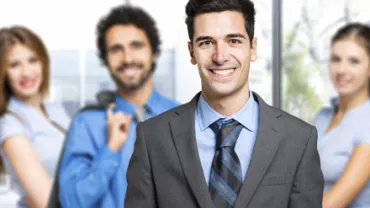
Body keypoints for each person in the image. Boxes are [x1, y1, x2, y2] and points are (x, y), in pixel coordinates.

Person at [125, 0, 324, 207]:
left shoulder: (298, 139)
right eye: (206, 43)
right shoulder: (153, 137)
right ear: (192, 52)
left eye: (234, 41)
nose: (220, 57)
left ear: (252, 48)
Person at [57, 4, 179, 208]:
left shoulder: (184, 118)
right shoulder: (86, 125)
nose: (127, 59)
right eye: (116, 50)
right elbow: (71, 202)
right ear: (106, 60)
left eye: (136, 46)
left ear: (155, 52)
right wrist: (110, 149)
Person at [0, 26, 70, 208]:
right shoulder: (10, 122)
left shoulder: (55, 110)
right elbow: (45, 201)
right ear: (3, 73)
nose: (26, 72)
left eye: (32, 60)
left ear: (43, 63)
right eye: (14, 65)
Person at [313, 23, 370, 208]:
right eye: (336, 59)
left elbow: (332, 204)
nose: (341, 70)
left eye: (354, 61)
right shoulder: (322, 117)